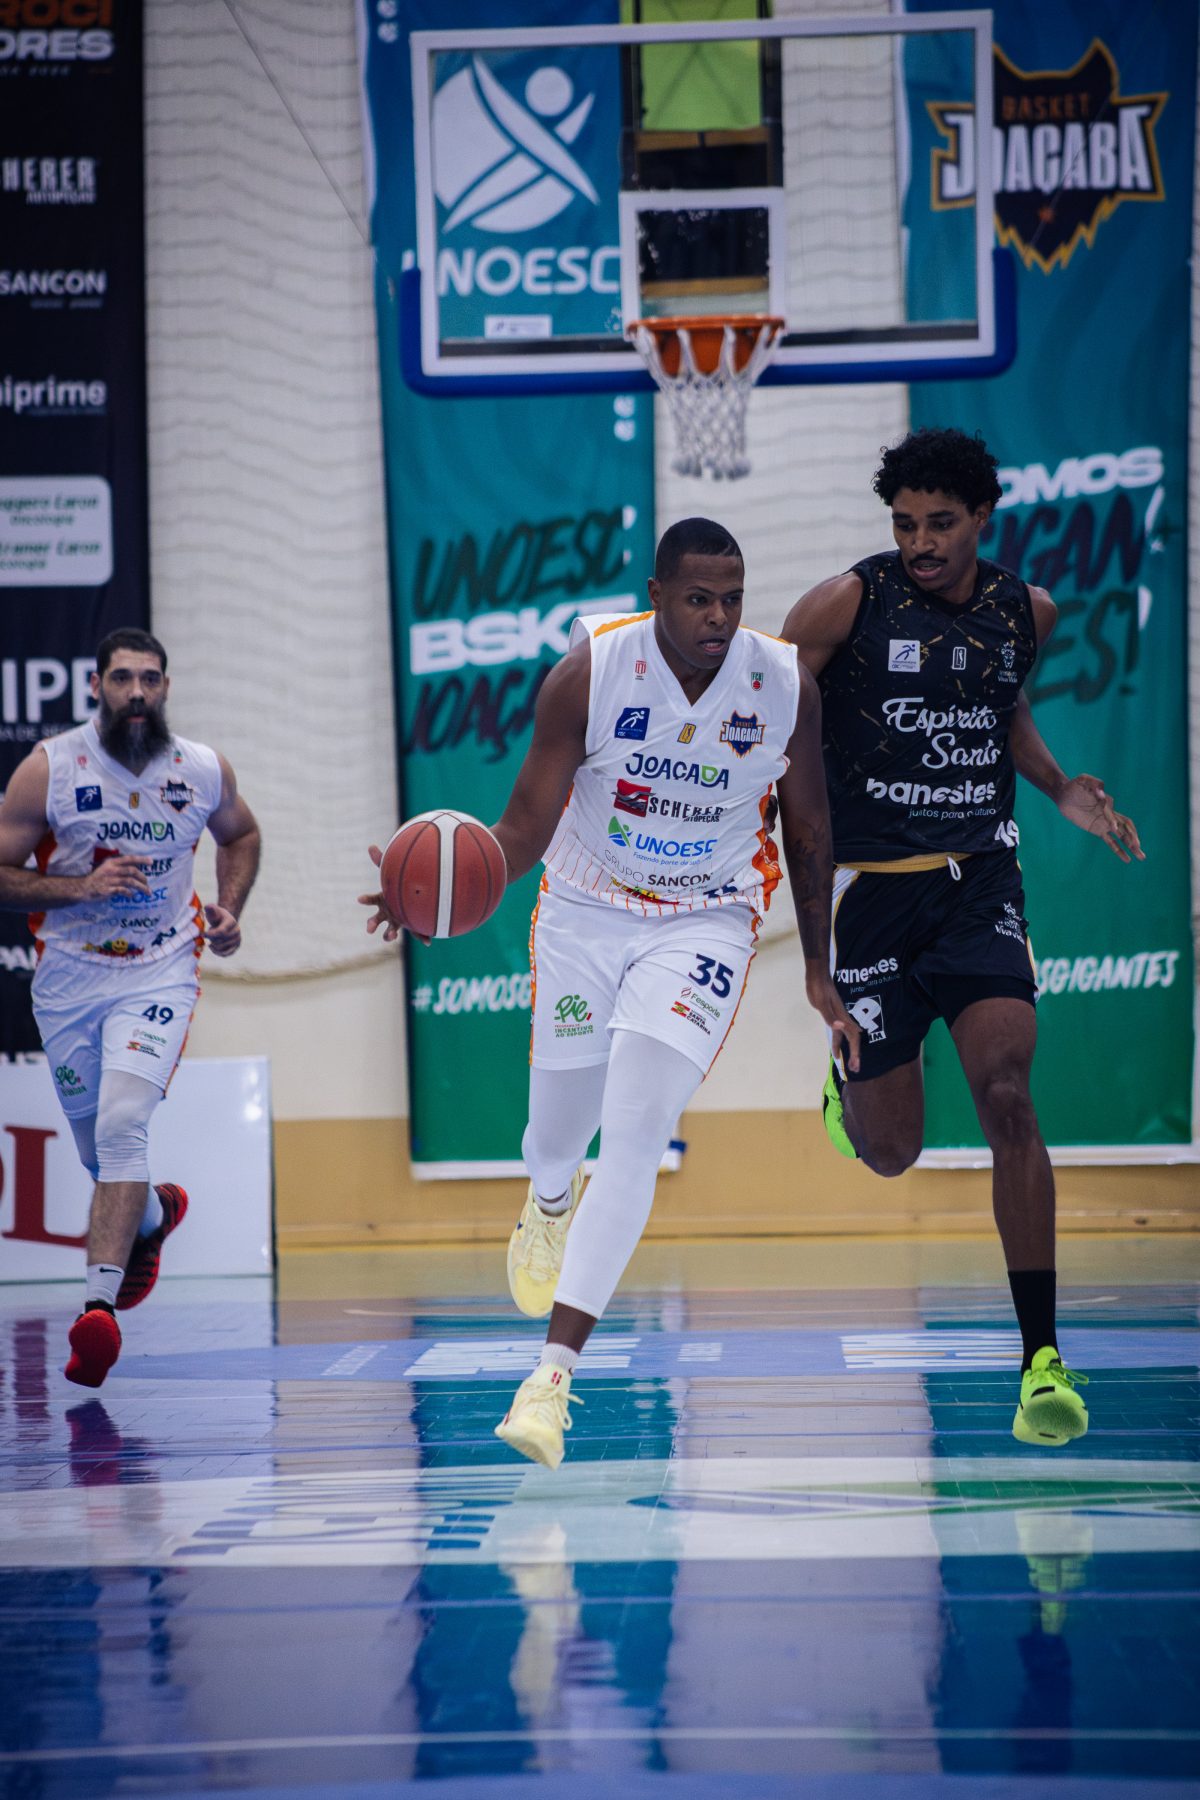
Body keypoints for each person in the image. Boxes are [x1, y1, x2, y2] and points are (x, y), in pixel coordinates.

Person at [363, 517, 859, 1468]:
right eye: (698, 599)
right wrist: (430, 890)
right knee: (558, 1135)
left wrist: (815, 965)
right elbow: (520, 830)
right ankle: (550, 1199)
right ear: (657, 595)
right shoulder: (589, 674)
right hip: (586, 909)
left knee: (636, 1131)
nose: (719, 619)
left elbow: (808, 829)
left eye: (733, 600)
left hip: (706, 917)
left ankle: (550, 1381)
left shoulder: (785, 684)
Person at [781, 427, 1143, 1448]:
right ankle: (848, 1086)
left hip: (979, 886)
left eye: (941, 523)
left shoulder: (1029, 611)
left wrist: (1058, 786)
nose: (921, 543)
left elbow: (1001, 706)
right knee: (891, 1152)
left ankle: (1041, 1361)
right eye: (905, 524)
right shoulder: (845, 604)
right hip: (875, 901)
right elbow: (765, 721)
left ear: (983, 517)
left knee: (1008, 1096)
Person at [0, 628, 260, 1389]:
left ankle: (98, 1312)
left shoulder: (201, 768)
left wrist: (230, 907)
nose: (137, 692)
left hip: (160, 970)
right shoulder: (50, 768)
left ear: (166, 687)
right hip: (69, 979)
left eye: (150, 678)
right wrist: (80, 887)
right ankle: (153, 1215)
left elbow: (241, 834)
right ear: (96, 687)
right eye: (122, 679)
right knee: (96, 1151)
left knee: (122, 1125)